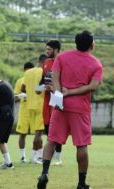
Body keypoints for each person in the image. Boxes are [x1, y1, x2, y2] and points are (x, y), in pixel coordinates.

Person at [37, 31, 102, 189]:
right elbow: (93, 86)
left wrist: (60, 96)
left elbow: (55, 78)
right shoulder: (96, 64)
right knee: (81, 145)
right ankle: (81, 183)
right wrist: (72, 92)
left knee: (51, 140)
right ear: (91, 45)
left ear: (76, 42)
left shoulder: (62, 57)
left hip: (60, 106)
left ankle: (44, 173)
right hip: (80, 109)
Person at [41, 40, 63, 165]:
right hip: (46, 99)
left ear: (55, 49)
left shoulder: (62, 61)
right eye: (46, 49)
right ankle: (51, 154)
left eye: (49, 49)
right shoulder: (46, 62)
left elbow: (64, 81)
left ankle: (58, 157)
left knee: (57, 127)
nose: (47, 51)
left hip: (57, 98)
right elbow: (42, 80)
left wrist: (54, 89)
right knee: (47, 126)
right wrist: (40, 87)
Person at [22, 55, 47, 164]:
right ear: (45, 61)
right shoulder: (43, 71)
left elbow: (23, 88)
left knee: (37, 133)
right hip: (40, 105)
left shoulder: (27, 72)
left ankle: (40, 157)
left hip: (30, 105)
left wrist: (30, 92)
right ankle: (33, 157)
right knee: (39, 134)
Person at [15, 62, 34, 163]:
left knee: (37, 134)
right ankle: (22, 157)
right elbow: (14, 97)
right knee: (22, 134)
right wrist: (20, 96)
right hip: (24, 111)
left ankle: (35, 157)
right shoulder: (20, 81)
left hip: (35, 110)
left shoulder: (37, 80)